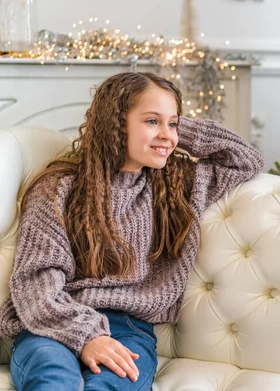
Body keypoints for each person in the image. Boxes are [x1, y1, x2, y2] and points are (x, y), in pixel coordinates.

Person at [0, 72, 265, 390]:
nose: (166, 135)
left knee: (113, 385)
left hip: (128, 328)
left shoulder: (177, 185)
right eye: (151, 121)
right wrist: (86, 335)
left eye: (173, 124)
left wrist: (172, 126)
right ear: (116, 122)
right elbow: (36, 285)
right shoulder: (59, 189)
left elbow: (245, 160)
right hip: (52, 323)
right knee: (54, 379)